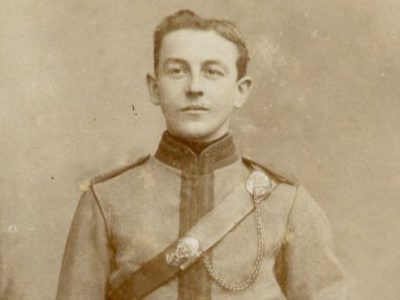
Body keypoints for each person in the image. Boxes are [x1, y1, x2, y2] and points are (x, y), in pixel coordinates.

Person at [56, 10, 347, 300]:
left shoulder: (287, 204)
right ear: (154, 88)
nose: (194, 88)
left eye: (212, 72)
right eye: (177, 71)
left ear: (240, 91)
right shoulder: (107, 201)